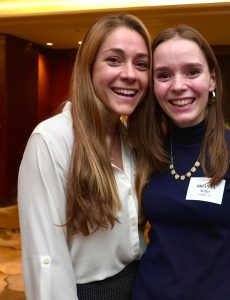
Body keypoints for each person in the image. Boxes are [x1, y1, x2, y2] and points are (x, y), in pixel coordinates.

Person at [131, 25, 230, 300]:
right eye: (163, 75)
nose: (178, 85)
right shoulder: (148, 151)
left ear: (212, 79)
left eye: (192, 71)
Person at [17, 13, 155, 300]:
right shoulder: (51, 140)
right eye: (114, 59)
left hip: (138, 286)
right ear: (88, 67)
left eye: (141, 64)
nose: (130, 73)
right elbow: (46, 261)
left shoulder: (131, 139)